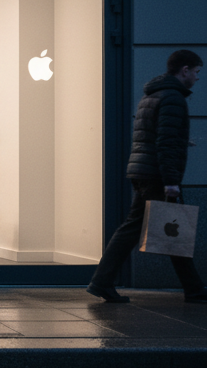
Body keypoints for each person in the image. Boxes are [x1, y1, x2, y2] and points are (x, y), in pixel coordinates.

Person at [88, 49, 205, 304]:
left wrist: (180, 142)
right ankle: (195, 290)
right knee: (175, 230)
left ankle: (102, 282)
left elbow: (156, 136)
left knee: (137, 229)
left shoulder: (152, 94)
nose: (197, 78)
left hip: (143, 170)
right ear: (184, 69)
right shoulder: (173, 98)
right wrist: (171, 181)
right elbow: (163, 141)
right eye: (197, 72)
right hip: (157, 174)